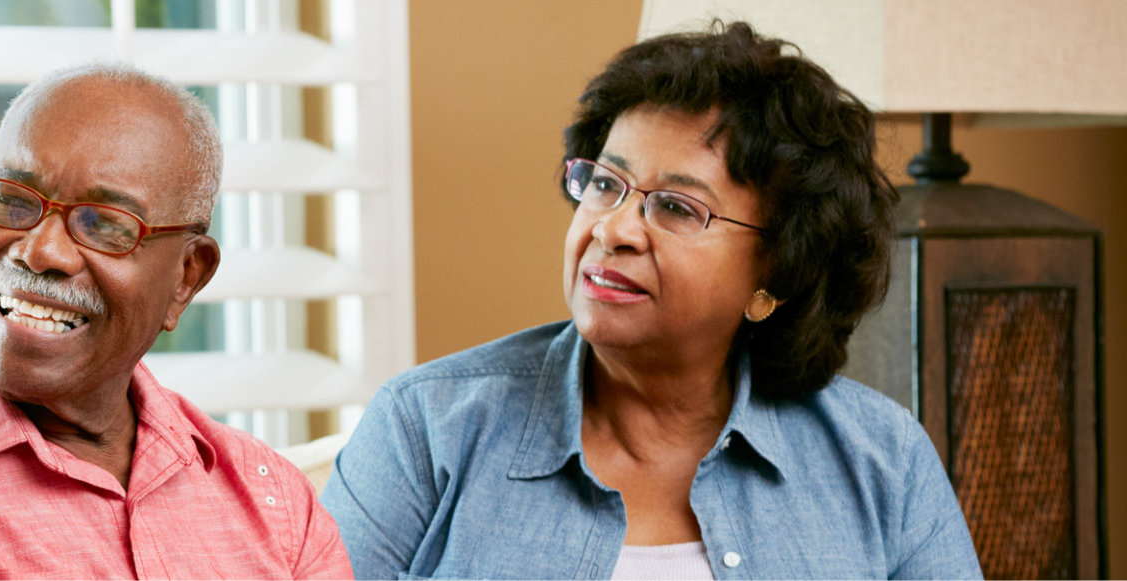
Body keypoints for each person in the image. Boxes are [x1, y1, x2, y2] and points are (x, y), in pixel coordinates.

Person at [321, 22, 982, 580]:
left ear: (772, 279)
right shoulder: (425, 428)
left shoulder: (882, 460)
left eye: (675, 206)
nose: (612, 229)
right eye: (606, 183)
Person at [0, 62, 354, 580]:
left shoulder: (275, 499)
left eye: (105, 224)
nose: (41, 251)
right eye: (12, 200)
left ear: (187, 276)